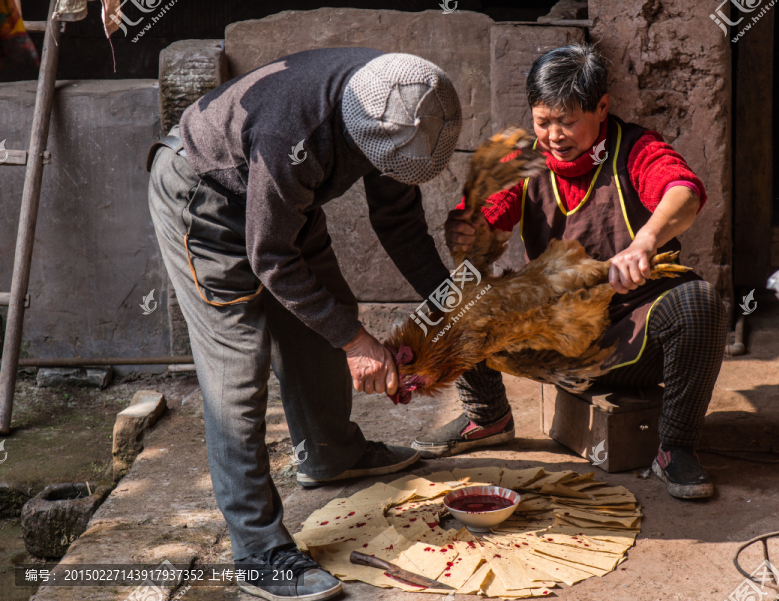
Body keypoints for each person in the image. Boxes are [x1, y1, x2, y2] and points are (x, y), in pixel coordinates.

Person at [146, 48, 461, 601]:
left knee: (329, 309)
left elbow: (402, 227)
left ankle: (331, 453)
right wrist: (357, 343)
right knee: (237, 368)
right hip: (203, 196)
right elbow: (270, 258)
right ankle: (259, 551)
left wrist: (454, 312)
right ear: (358, 131)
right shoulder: (299, 128)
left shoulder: (408, 106)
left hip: (277, 200)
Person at [412, 43, 727, 501]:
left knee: (699, 303)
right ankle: (489, 416)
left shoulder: (638, 148)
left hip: (635, 336)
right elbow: (483, 216)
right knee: (458, 294)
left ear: (601, 108)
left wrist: (645, 240)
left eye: (567, 121)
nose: (554, 135)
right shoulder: (524, 159)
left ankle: (674, 447)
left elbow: (684, 192)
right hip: (557, 336)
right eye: (543, 121)